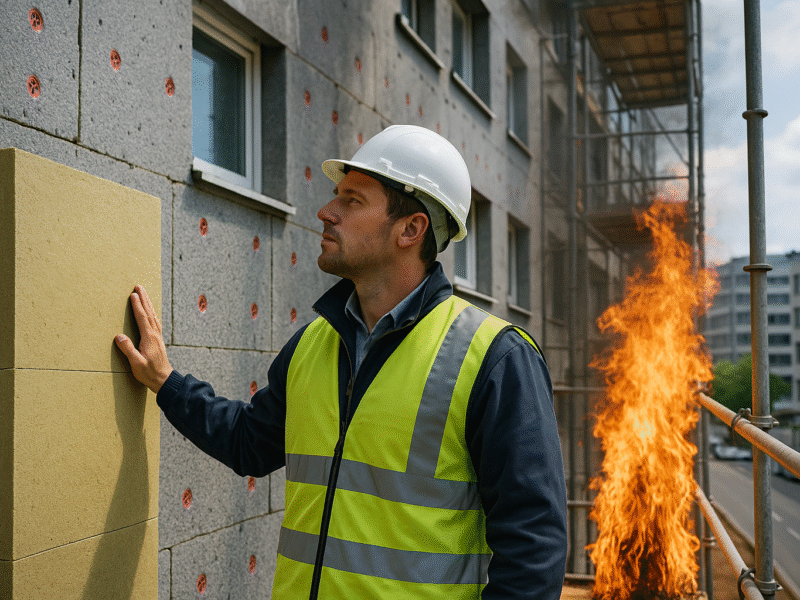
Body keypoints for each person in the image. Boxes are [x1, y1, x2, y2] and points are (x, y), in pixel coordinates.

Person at [116, 125, 567, 599]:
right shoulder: (313, 344)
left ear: (411, 229)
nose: (326, 212)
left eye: (352, 201)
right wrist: (165, 381)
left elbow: (532, 548)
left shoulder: (495, 358)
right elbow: (249, 442)